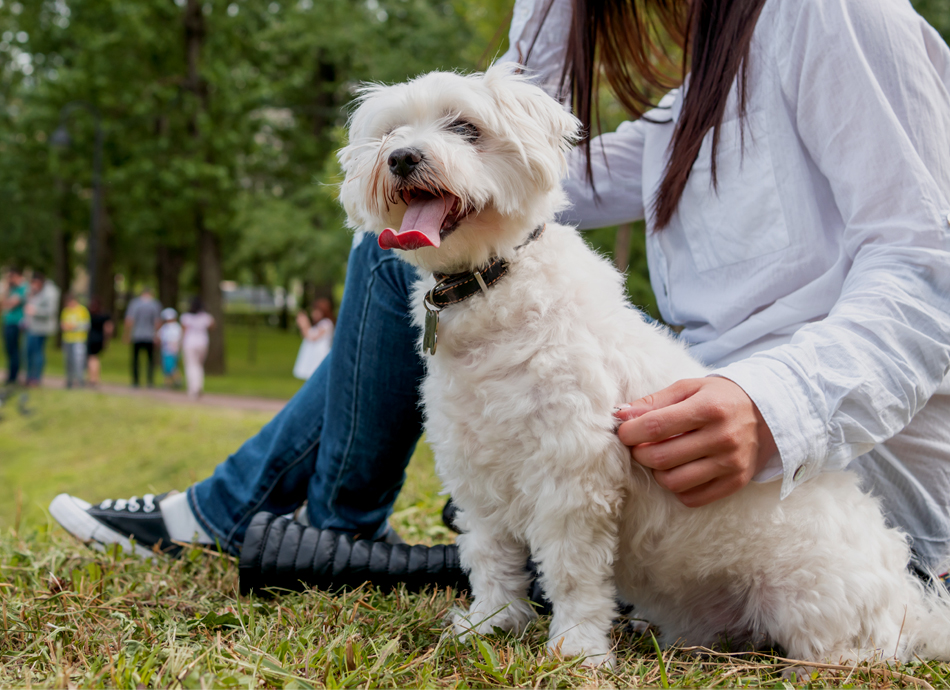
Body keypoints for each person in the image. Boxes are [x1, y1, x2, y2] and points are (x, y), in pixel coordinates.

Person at [50, 0, 950, 585]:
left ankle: (285, 527)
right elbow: (521, 160)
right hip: (680, 468)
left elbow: (928, 275)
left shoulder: (832, 17)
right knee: (412, 230)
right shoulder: (703, 95)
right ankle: (304, 524)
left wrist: (773, 406)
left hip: (832, 494)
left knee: (430, 235)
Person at [24, 272, 60, 386]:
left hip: (42, 328)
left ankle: (36, 378)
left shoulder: (51, 292)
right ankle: (29, 376)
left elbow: (51, 311)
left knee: (37, 352)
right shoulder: (34, 291)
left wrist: (36, 311)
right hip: (31, 326)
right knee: (28, 351)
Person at [124, 288, 162, 388]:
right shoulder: (155, 304)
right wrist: (157, 335)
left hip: (137, 335)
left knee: (135, 359)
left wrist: (127, 334)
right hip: (150, 335)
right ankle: (150, 381)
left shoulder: (134, 303)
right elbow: (157, 322)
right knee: (150, 360)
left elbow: (129, 320)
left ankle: (135, 381)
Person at [292, 297, 335, 381]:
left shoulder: (326, 323)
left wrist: (304, 324)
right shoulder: (320, 324)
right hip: (313, 352)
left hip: (319, 354)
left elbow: (312, 337)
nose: (313, 313)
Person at [180, 298, 215, 399]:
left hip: (189, 343)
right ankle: (198, 386)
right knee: (199, 366)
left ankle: (193, 388)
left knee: (191, 366)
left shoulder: (186, 317)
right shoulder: (205, 317)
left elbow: (184, 331)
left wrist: (180, 343)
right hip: (202, 343)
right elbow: (212, 325)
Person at [1, 268, 28, 386]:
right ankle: (10, 375)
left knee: (14, 350)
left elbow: (12, 303)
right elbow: (2, 303)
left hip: (16, 322)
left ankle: (14, 376)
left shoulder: (23, 288)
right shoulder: (11, 288)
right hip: (7, 321)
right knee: (9, 350)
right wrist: (6, 287)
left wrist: (7, 302)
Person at [60, 293, 90, 389]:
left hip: (78, 339)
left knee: (78, 361)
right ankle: (69, 380)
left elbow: (87, 325)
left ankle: (80, 380)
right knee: (68, 361)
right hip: (67, 339)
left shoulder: (82, 310)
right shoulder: (66, 311)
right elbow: (62, 323)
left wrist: (74, 327)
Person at [86, 300, 114, 388]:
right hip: (99, 339)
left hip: (90, 338)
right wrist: (107, 339)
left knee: (91, 358)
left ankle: (92, 379)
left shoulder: (88, 314)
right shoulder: (104, 315)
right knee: (96, 358)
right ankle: (95, 378)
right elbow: (109, 328)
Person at [157, 308, 183, 389]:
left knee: (171, 367)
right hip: (166, 349)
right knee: (167, 368)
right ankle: (168, 383)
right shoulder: (167, 327)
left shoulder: (175, 327)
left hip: (172, 350)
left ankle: (178, 381)